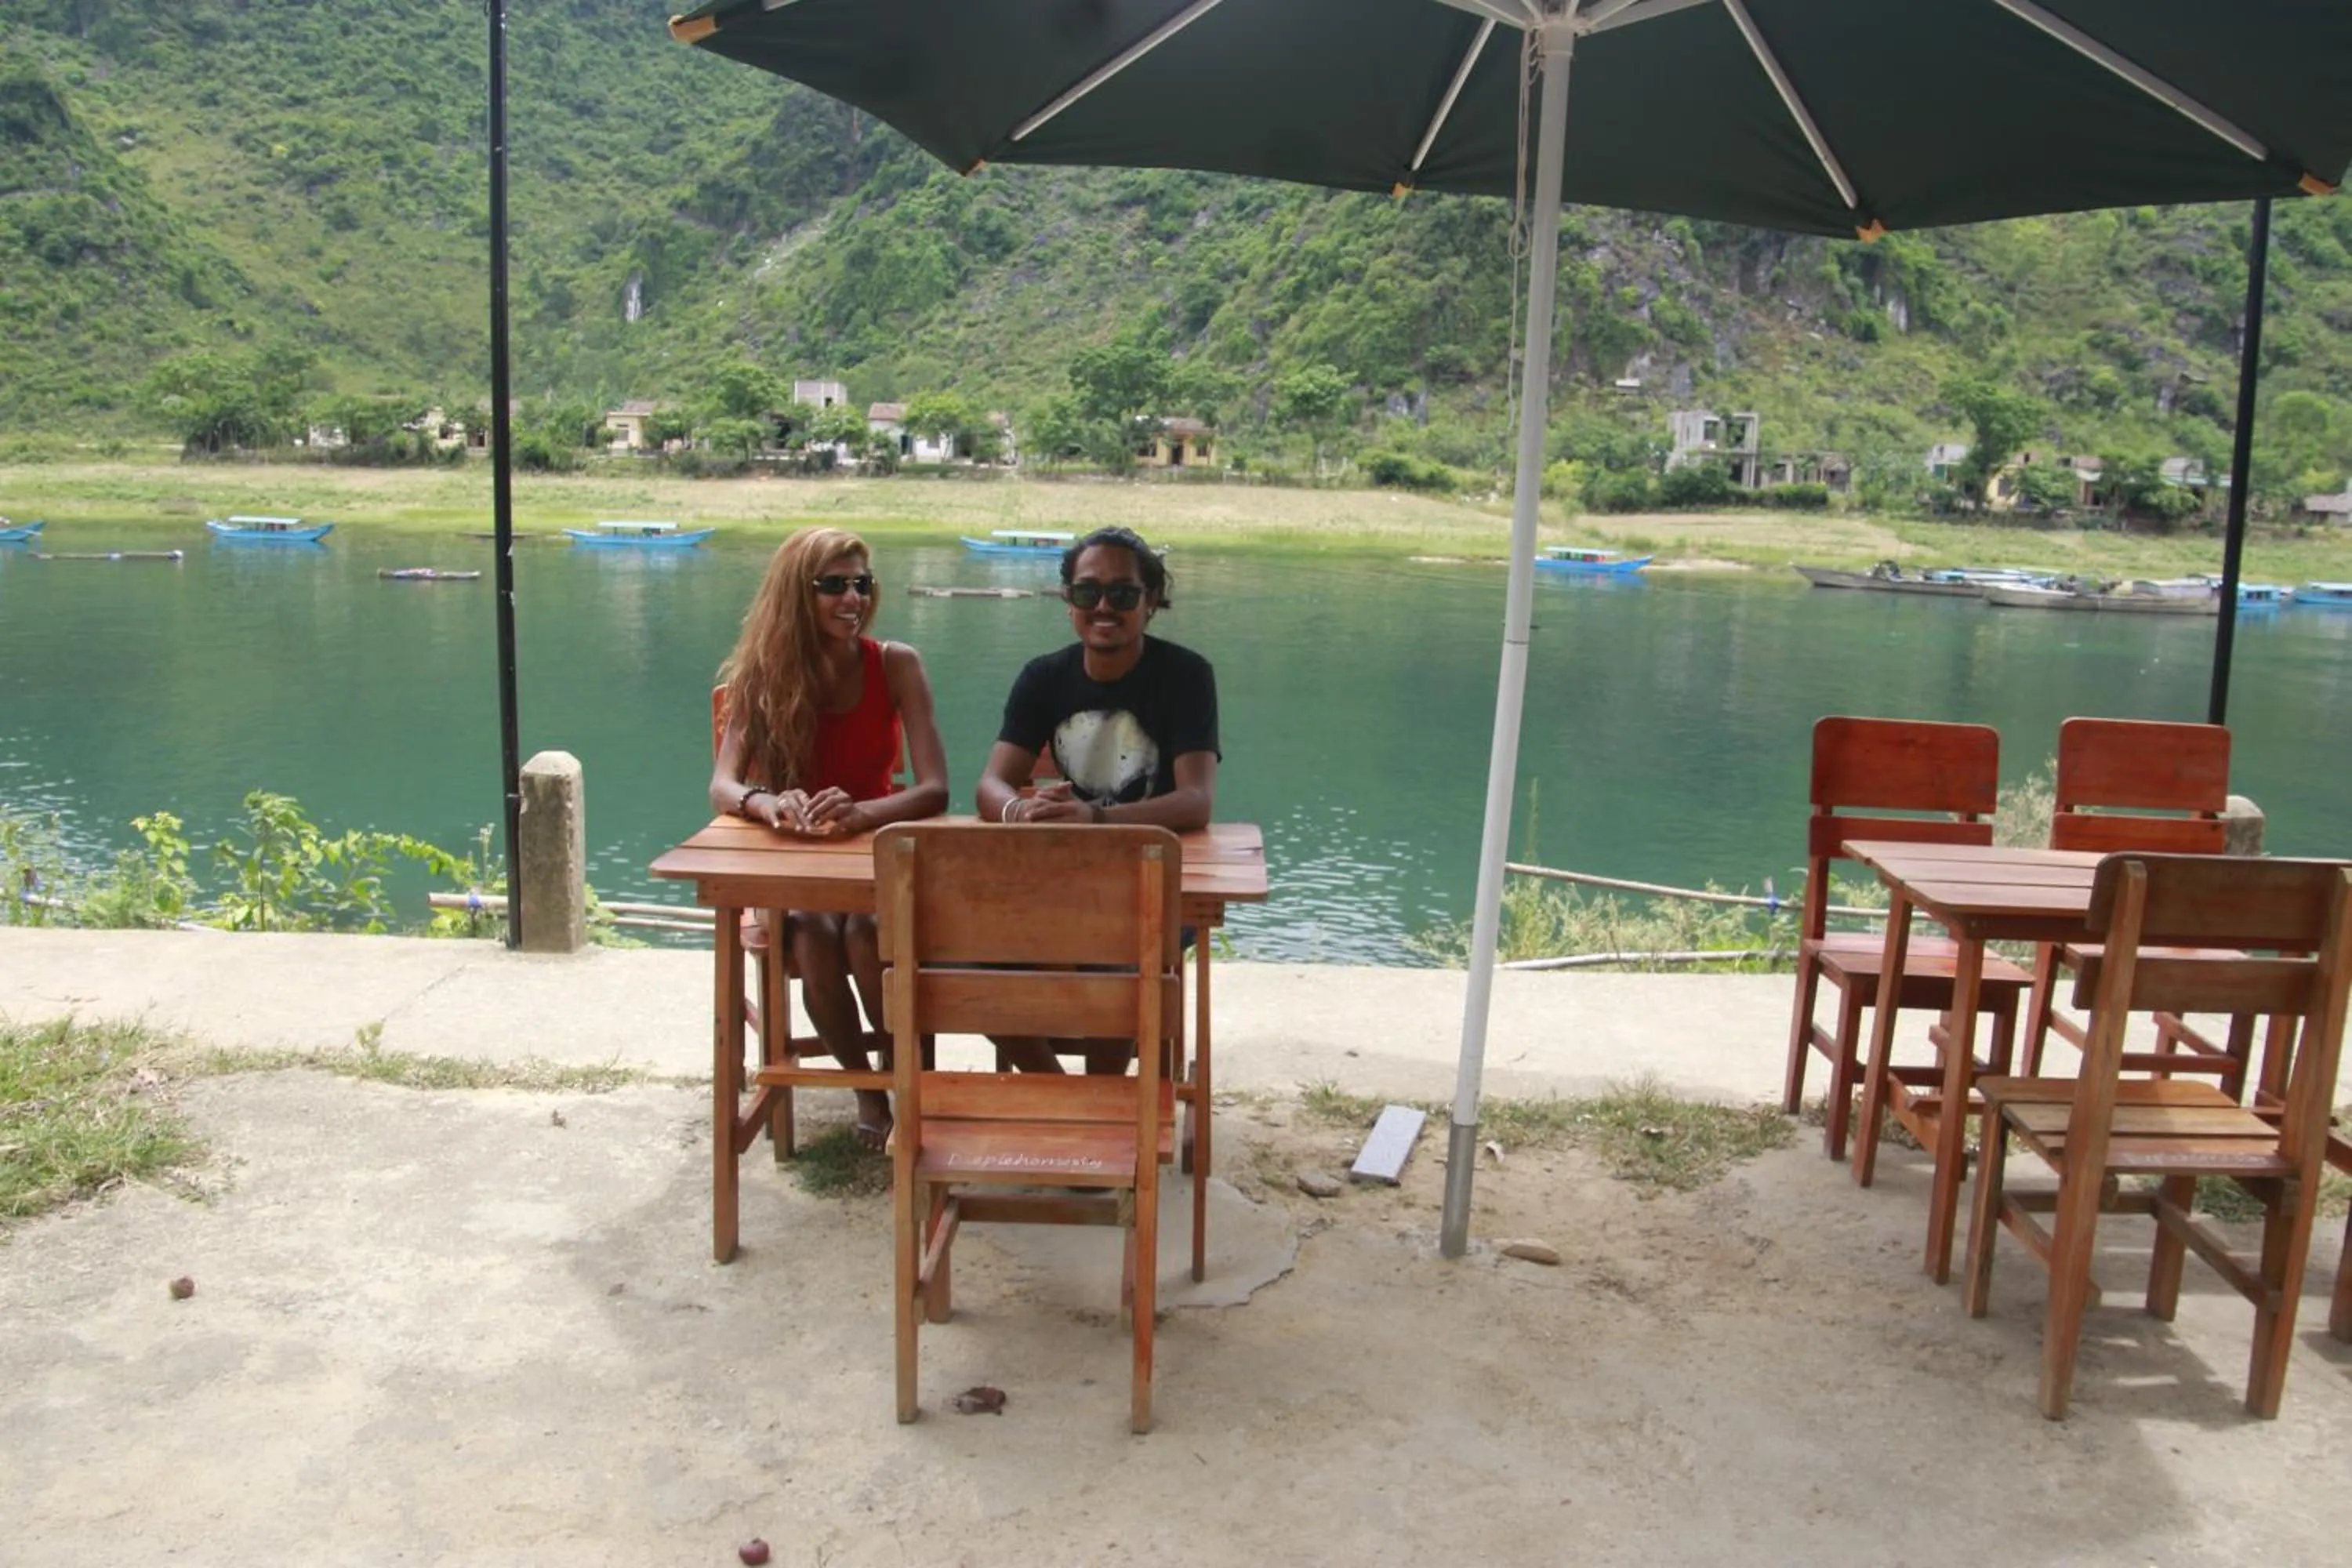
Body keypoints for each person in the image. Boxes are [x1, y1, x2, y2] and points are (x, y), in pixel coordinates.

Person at [710, 526, 949, 1146]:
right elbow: (723, 786)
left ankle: (904, 1084)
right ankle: (865, 1089)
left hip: (875, 855)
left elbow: (935, 790)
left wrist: (863, 812)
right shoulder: (764, 675)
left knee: (869, 938)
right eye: (833, 585)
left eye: (861, 584)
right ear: (797, 594)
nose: (853, 599)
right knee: (814, 936)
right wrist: (768, 802)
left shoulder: (896, 664)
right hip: (800, 862)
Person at [977, 524, 1219, 1073]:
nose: (1104, 606)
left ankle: (1106, 1093)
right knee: (960, 959)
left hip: (1156, 881)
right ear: (1069, 600)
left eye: (1123, 593)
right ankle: (1059, 1092)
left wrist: (1096, 819)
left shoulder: (1186, 676)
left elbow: (1196, 800)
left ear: (1151, 601)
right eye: (1088, 591)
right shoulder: (1043, 677)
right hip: (1058, 876)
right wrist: (1020, 811)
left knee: (1121, 965)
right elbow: (990, 786)